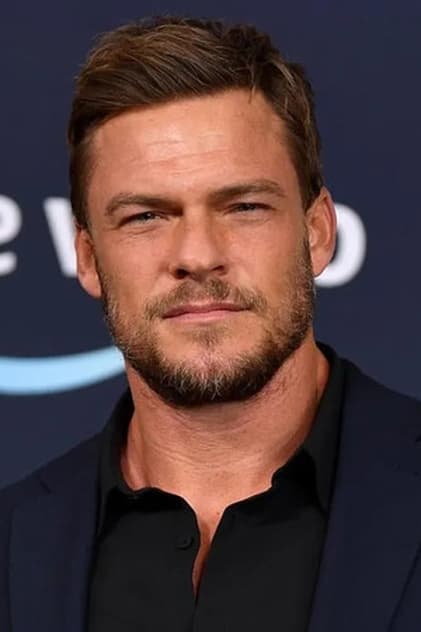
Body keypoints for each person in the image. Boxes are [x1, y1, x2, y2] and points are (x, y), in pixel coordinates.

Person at [1, 15, 421, 632]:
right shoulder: (14, 545)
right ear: (87, 258)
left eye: (244, 206)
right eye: (146, 217)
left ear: (318, 232)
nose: (197, 255)